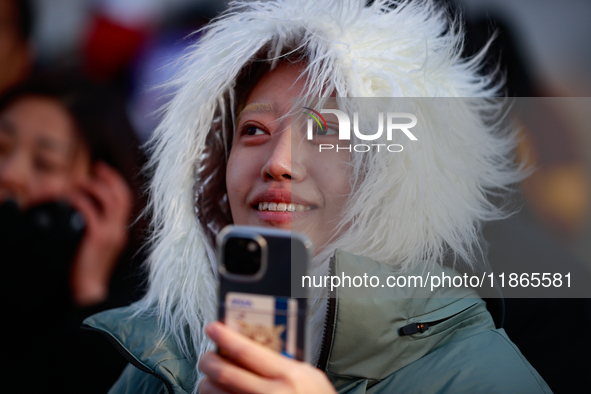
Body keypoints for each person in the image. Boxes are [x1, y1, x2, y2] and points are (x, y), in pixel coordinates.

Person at [83, 1, 552, 393]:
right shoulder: (164, 357)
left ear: (393, 173)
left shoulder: (481, 376)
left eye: (325, 131)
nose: (279, 161)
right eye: (253, 130)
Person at [0, 74, 147, 392]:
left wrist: (90, 294)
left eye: (45, 163)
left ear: (103, 192)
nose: (10, 174)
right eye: (1, 147)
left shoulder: (141, 309)